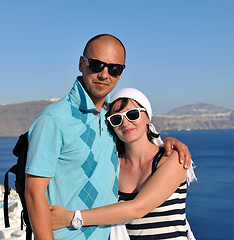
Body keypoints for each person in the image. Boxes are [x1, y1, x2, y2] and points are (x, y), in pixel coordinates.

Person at [25, 34, 192, 240]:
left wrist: (169, 142)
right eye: (96, 65)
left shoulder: (106, 118)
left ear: (120, 73)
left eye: (114, 69)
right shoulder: (54, 119)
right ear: (81, 63)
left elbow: (138, 206)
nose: (104, 74)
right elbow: (34, 193)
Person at [49, 88, 197, 240]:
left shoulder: (172, 159)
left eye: (133, 114)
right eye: (116, 119)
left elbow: (138, 209)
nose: (125, 123)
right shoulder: (112, 165)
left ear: (148, 117)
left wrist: (72, 218)